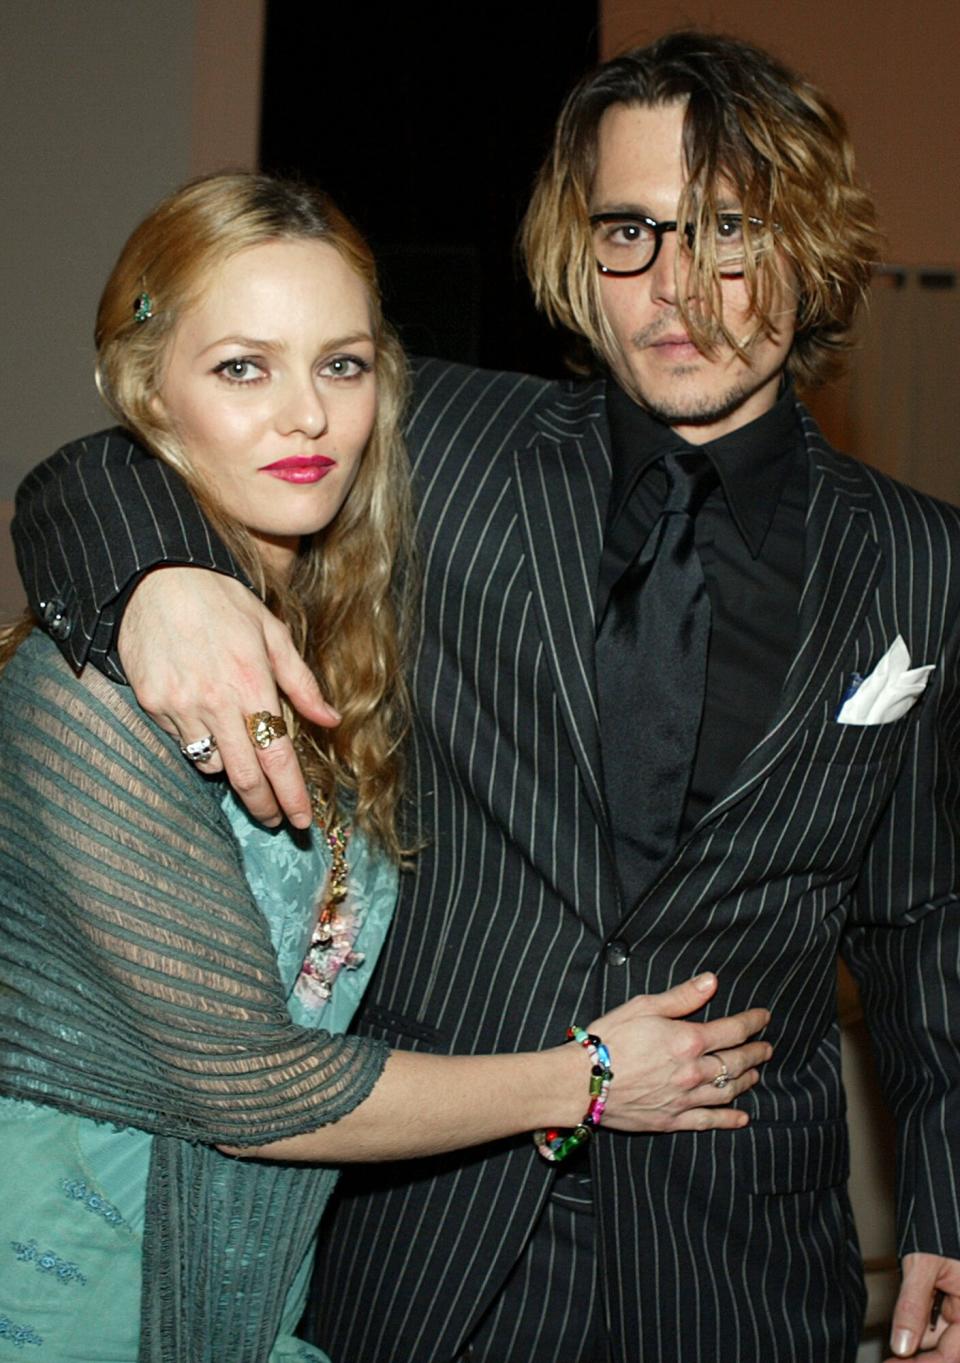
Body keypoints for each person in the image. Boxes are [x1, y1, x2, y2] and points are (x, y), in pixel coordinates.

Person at [11, 30, 960, 1363]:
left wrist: (949, 1210)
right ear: (584, 253)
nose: (679, 286)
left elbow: (925, 918)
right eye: (631, 232)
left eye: (730, 227)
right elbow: (110, 462)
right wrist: (157, 582)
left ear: (811, 237)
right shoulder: (448, 448)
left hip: (738, 1246)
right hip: (433, 1231)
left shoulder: (922, 557)